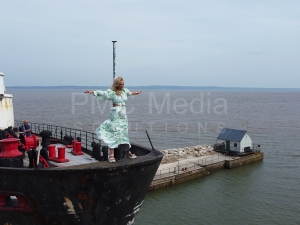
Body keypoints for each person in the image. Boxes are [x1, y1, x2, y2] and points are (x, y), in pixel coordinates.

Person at [85, 77, 142, 163]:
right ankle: (111, 154)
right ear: (117, 84)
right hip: (115, 114)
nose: (122, 86)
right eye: (120, 84)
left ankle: (127, 151)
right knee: (114, 131)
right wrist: (93, 92)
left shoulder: (124, 91)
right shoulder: (112, 93)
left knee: (124, 131)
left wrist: (137, 93)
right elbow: (103, 93)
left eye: (123, 84)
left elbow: (130, 93)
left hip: (123, 114)